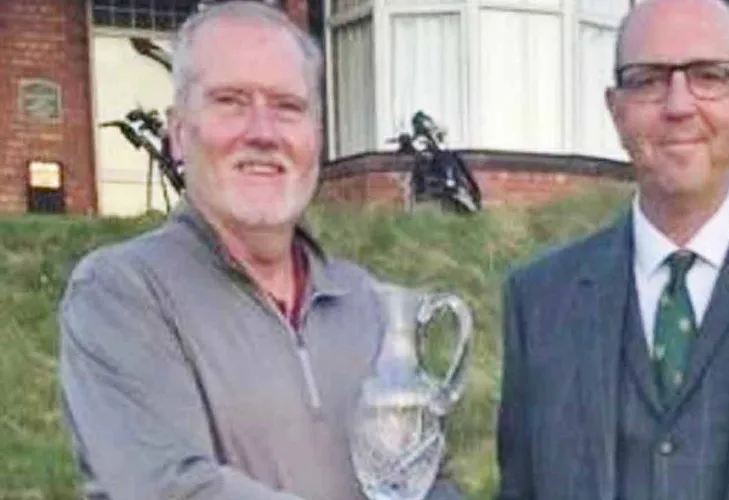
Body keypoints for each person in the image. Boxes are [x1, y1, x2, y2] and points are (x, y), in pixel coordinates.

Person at [58, 3, 461, 500]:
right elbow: (173, 489)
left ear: (316, 136)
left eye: (288, 106)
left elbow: (427, 475)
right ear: (179, 133)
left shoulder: (365, 302)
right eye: (230, 101)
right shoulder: (120, 295)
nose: (263, 132)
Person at [496, 0, 729, 498]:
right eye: (648, 79)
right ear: (616, 111)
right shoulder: (538, 302)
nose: (679, 105)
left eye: (708, 75)